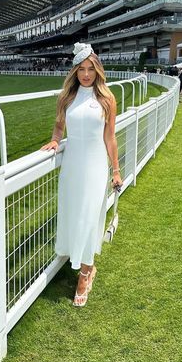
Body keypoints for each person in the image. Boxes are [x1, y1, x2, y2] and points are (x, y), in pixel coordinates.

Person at [41, 42, 122, 307]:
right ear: (75, 70)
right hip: (72, 167)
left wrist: (116, 171)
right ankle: (79, 260)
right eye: (81, 69)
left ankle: (86, 272)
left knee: (89, 217)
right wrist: (55, 141)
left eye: (90, 69)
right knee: (73, 214)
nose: (86, 74)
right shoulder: (66, 97)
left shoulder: (107, 98)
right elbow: (58, 127)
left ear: (98, 70)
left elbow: (110, 138)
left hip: (96, 166)